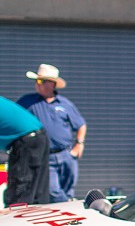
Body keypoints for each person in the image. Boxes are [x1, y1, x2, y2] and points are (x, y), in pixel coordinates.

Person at [17, 64, 87, 203]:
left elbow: (81, 124)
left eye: (41, 81)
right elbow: (13, 118)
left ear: (52, 84)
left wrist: (79, 144)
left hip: (66, 154)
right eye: (36, 81)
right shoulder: (28, 102)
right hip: (45, 156)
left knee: (68, 190)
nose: (37, 85)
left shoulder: (65, 104)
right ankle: (67, 208)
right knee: (53, 190)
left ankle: (68, 218)